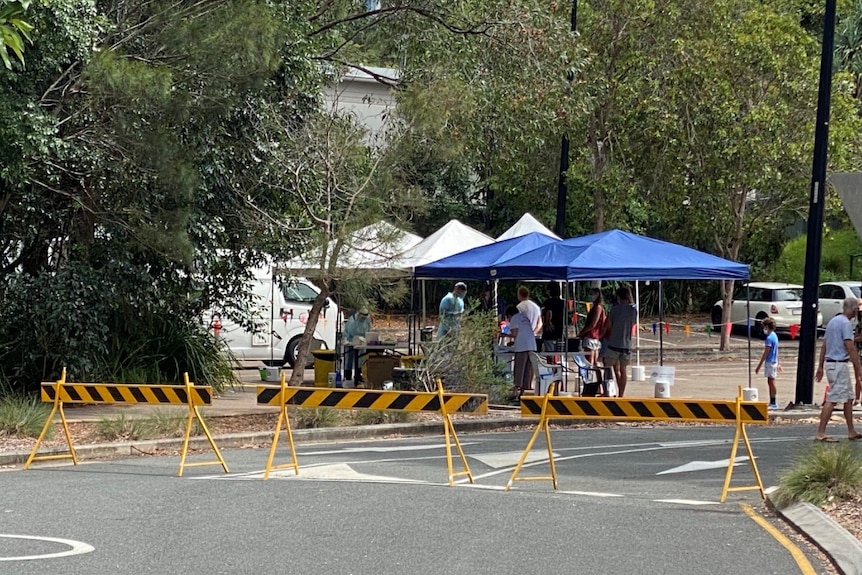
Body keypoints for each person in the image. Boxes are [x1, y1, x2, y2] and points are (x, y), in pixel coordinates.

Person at [814, 296, 862, 442]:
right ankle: (820, 432)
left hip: (831, 363)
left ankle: (851, 430)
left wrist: (820, 366)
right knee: (833, 398)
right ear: (854, 310)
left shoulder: (833, 321)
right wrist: (857, 367)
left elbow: (824, 345)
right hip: (839, 364)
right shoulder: (845, 324)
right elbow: (850, 346)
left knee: (848, 397)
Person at [601, 286, 638, 397]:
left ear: (618, 297)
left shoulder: (614, 310)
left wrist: (602, 336)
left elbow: (608, 325)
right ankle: (621, 394)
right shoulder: (633, 311)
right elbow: (633, 324)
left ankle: (608, 391)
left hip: (613, 343)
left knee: (607, 367)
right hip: (626, 344)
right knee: (623, 370)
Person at [504, 304, 536, 398]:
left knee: (519, 370)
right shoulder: (524, 317)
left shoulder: (514, 318)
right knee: (527, 370)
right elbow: (523, 332)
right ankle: (524, 393)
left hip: (522, 348)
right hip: (531, 346)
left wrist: (504, 335)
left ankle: (516, 392)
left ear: (509, 315)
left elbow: (514, 333)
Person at [516, 286, 543, 391]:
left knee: (520, 367)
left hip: (522, 340)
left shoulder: (519, 307)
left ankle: (519, 390)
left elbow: (517, 323)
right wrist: (533, 332)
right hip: (532, 340)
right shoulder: (536, 307)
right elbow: (540, 323)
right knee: (529, 367)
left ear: (519, 294)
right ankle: (528, 388)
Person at [754, 318, 780, 409]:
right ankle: (772, 401)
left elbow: (766, 353)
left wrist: (759, 366)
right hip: (774, 361)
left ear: (767, 327)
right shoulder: (774, 335)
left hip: (770, 362)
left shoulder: (769, 339)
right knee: (770, 381)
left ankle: (773, 402)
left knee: (771, 382)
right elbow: (776, 351)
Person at [577, 287, 606, 366]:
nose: (590, 296)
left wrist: (582, 333)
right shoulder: (596, 307)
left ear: (597, 295)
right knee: (595, 362)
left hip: (592, 336)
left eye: (591, 294)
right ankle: (598, 378)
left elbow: (593, 324)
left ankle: (590, 377)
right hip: (594, 337)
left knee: (590, 361)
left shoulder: (598, 307)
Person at [342, 307, 372, 381]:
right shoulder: (352, 321)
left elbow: (369, 329)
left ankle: (358, 375)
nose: (364, 318)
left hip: (362, 341)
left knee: (361, 359)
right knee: (349, 358)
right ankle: (348, 376)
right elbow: (347, 333)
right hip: (351, 340)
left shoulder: (367, 319)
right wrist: (346, 340)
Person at [541, 282, 565, 352]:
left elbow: (549, 312)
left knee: (550, 353)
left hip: (549, 333)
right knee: (558, 353)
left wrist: (548, 321)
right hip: (559, 330)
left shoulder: (548, 302)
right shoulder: (562, 302)